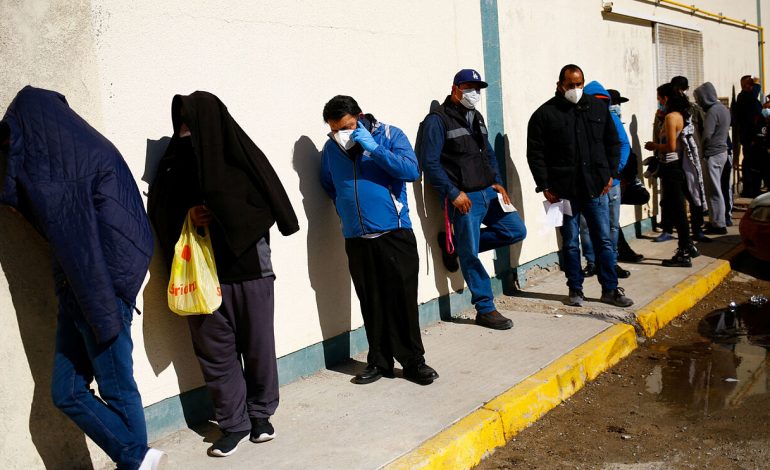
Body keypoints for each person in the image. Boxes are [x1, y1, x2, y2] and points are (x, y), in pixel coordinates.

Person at [0, 87, 165, 470]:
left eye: (16, 135)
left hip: (100, 290)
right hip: (80, 287)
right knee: (66, 391)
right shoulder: (87, 154)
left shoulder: (65, 174)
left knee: (117, 389)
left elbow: (80, 239)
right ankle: (139, 459)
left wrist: (105, 307)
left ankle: (136, 463)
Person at [148, 91, 299, 457]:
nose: (185, 128)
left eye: (191, 120)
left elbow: (266, 206)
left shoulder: (240, 157)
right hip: (200, 276)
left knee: (259, 347)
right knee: (216, 354)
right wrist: (189, 214)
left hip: (249, 270)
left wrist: (221, 212)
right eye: (180, 120)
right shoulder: (173, 163)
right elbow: (159, 211)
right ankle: (233, 425)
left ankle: (261, 415)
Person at [319, 95, 439, 386]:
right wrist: (346, 212)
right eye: (335, 129)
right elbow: (328, 183)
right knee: (371, 302)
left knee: (402, 300)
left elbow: (410, 171)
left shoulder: (389, 135)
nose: (341, 133)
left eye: (346, 126)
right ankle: (379, 361)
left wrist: (374, 149)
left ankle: (413, 362)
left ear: (359, 117)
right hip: (357, 238)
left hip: (394, 234)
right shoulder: (330, 148)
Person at [418, 69, 527, 330]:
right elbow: (429, 163)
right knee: (471, 255)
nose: (474, 93)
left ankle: (454, 245)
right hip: (464, 198)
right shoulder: (437, 121)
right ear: (455, 88)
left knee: (515, 230)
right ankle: (485, 308)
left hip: (488, 192)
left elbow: (487, 152)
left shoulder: (476, 117)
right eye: (469, 87)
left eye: (477, 89)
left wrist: (497, 180)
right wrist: (453, 193)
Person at [526, 64, 633, 308]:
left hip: (595, 189)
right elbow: (536, 153)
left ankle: (610, 289)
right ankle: (575, 288)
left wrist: (610, 175)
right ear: (559, 85)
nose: (575, 89)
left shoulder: (598, 108)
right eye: (570, 85)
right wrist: (544, 185)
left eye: (579, 84)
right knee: (571, 242)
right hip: (562, 192)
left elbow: (612, 143)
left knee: (604, 240)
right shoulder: (545, 114)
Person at [578, 81, 631, 279]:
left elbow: (624, 145)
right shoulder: (580, 119)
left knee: (611, 225)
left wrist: (614, 172)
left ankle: (611, 262)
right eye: (596, 100)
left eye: (604, 101)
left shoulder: (611, 118)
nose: (600, 104)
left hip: (612, 184)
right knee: (585, 225)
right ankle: (592, 262)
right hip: (589, 184)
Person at [645, 83, 701, 267]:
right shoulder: (677, 116)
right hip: (671, 167)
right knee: (676, 208)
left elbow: (670, 146)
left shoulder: (671, 117)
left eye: (659, 99)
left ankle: (684, 251)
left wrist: (654, 146)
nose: (659, 103)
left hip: (671, 167)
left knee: (678, 211)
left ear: (666, 98)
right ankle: (688, 245)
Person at [693, 82, 731, 235]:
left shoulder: (712, 112)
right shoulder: (724, 109)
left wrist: (701, 150)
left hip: (712, 154)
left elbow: (707, 135)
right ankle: (718, 220)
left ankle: (717, 224)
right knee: (719, 189)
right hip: (722, 152)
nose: (698, 102)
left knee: (713, 191)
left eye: (699, 98)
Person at [732, 75, 763, 197]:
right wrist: (756, 82)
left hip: (751, 137)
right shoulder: (744, 97)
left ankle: (753, 189)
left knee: (753, 164)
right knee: (750, 164)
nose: (753, 86)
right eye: (750, 84)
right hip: (750, 138)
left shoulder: (748, 97)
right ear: (746, 86)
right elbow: (756, 89)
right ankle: (750, 191)